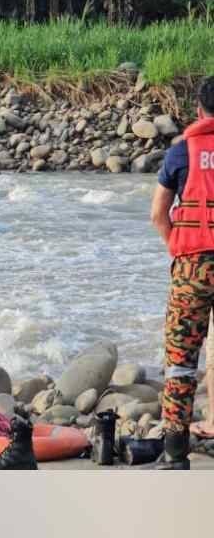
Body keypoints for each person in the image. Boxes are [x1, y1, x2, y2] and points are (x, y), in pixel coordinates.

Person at [151, 76, 214, 469]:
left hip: (193, 264)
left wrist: (178, 247)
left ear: (198, 110)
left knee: (181, 358)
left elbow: (158, 214)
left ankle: (176, 457)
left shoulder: (181, 152)